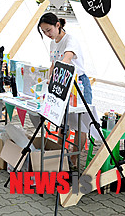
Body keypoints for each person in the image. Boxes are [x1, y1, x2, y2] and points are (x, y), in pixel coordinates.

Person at [37, 12, 92, 169]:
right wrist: (50, 79)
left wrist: (55, 79)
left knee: (80, 126)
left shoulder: (70, 40)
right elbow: (53, 64)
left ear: (58, 25)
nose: (47, 34)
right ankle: (61, 157)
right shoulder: (53, 43)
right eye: (44, 32)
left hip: (78, 84)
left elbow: (66, 60)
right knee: (62, 124)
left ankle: (73, 161)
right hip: (62, 84)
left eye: (49, 30)